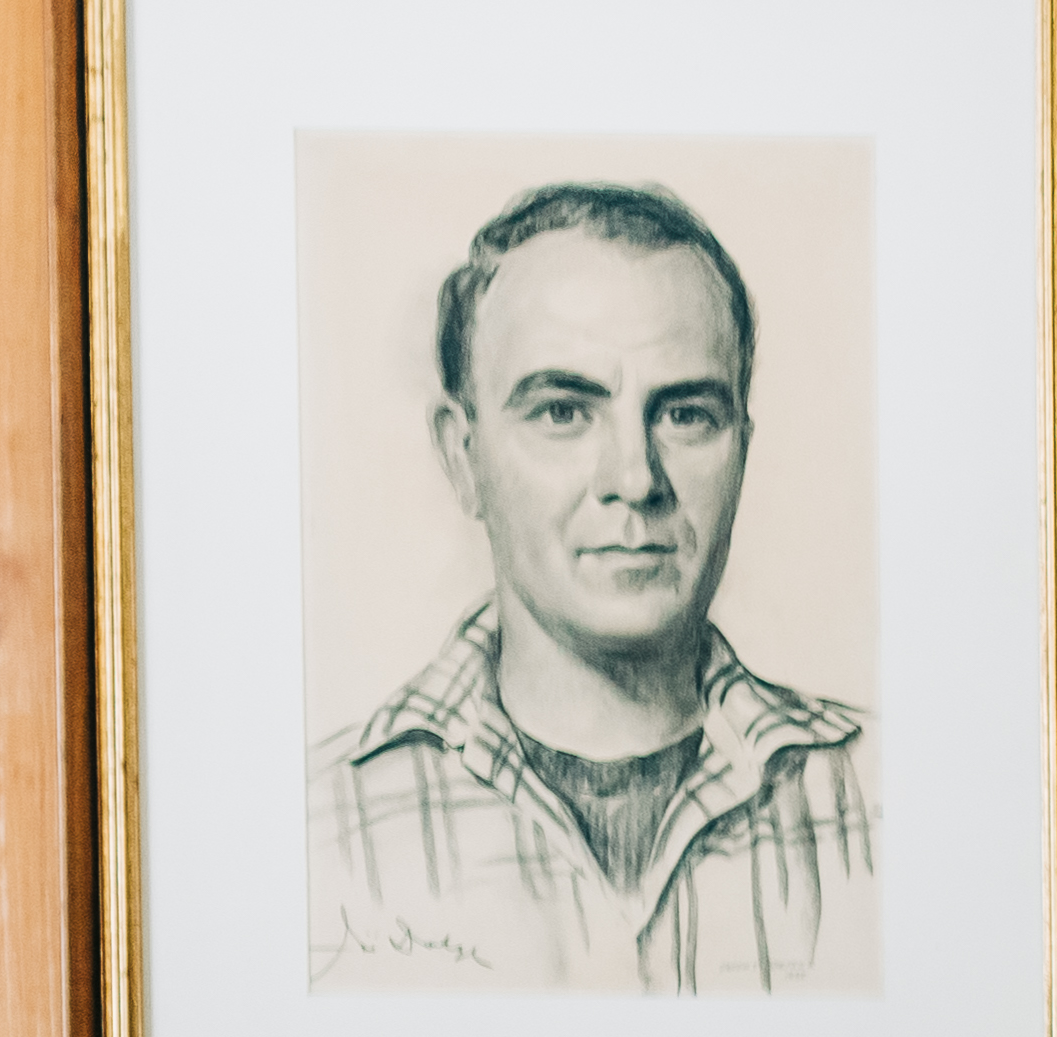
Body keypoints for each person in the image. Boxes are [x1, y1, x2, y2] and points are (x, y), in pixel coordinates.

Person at [309, 174, 883, 992]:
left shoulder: (890, 806)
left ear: (743, 449)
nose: (634, 478)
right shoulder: (318, 828)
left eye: (685, 414)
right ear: (462, 456)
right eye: (563, 412)